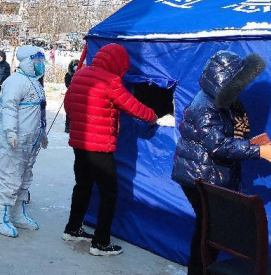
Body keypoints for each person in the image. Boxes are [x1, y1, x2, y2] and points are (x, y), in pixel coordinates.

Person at [171, 51, 271, 275]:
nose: (241, 88)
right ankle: (200, 271)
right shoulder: (205, 106)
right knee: (209, 231)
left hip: (205, 173)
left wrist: (251, 143)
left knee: (207, 230)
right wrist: (259, 151)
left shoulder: (221, 103)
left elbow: (226, 138)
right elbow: (218, 146)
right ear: (225, 80)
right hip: (197, 175)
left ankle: (201, 270)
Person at [63, 43, 157, 256]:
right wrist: (153, 116)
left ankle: (72, 228)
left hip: (79, 143)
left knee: (82, 185)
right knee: (109, 194)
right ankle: (101, 242)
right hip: (99, 147)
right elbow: (132, 105)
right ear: (117, 63)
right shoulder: (110, 81)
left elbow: (69, 104)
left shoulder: (80, 75)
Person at [0, 46, 48, 237]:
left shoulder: (35, 83)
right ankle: (0, 218)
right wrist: (10, 132)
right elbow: (9, 108)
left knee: (24, 179)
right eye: (37, 61)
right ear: (28, 62)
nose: (41, 65)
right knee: (10, 179)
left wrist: (43, 134)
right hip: (14, 141)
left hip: (30, 141)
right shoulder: (15, 81)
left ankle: (17, 214)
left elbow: (39, 112)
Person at [64, 59, 79, 133]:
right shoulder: (68, 75)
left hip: (79, 96)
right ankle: (67, 126)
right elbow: (67, 84)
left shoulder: (80, 75)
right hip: (71, 95)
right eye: (74, 66)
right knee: (69, 111)